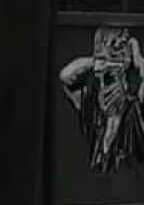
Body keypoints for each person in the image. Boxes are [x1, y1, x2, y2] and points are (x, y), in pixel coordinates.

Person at [60, 26, 144, 173]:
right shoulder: (89, 107)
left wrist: (136, 55)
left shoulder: (134, 112)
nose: (108, 89)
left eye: (113, 78)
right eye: (105, 79)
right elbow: (66, 76)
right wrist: (96, 62)